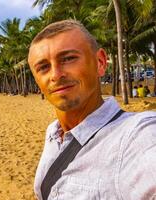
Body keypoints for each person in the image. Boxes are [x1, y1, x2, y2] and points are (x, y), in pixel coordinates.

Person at [28, 20, 156, 200]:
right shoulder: (53, 132)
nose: (55, 75)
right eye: (43, 67)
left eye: (68, 58)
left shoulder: (137, 135)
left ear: (100, 63)